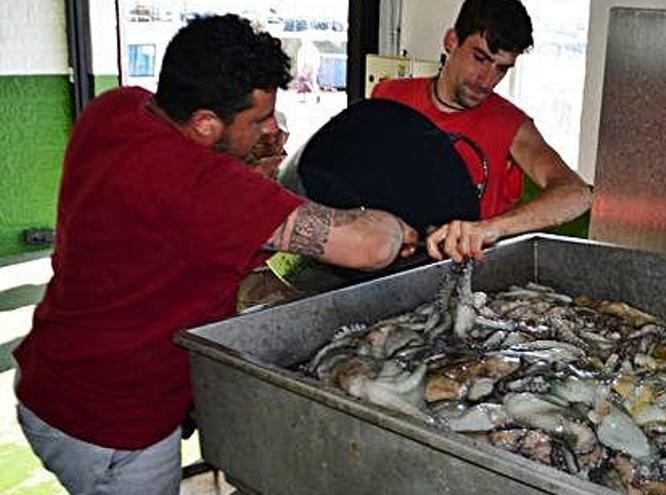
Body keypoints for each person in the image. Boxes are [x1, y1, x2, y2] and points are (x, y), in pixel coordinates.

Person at [13, 14, 416, 495]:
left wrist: (248, 170)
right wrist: (398, 224)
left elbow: (190, 234)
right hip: (111, 424)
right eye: (258, 120)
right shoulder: (203, 186)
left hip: (51, 376)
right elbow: (369, 247)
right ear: (205, 123)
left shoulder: (119, 107)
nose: (272, 129)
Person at [372, 0, 591, 262]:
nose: (487, 80)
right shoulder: (389, 96)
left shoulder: (512, 125)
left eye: (501, 68)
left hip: (466, 272)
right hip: (388, 263)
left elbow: (576, 194)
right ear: (451, 41)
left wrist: (489, 228)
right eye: (480, 58)